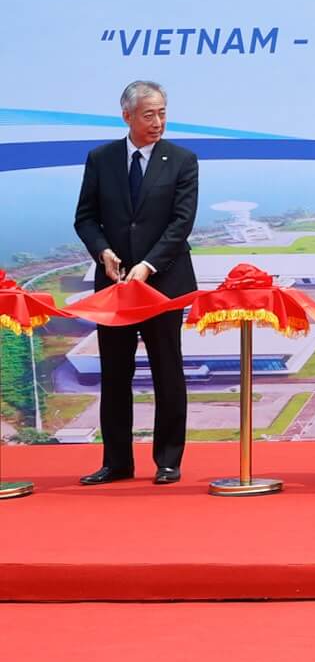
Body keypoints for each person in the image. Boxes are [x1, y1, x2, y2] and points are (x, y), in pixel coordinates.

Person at [72, 80, 198, 485]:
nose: (158, 121)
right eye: (149, 114)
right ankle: (117, 462)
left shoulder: (182, 160)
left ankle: (168, 460)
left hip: (163, 284)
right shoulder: (101, 158)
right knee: (114, 373)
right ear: (126, 115)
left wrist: (147, 265)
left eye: (162, 113)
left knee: (167, 371)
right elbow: (85, 218)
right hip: (114, 285)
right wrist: (103, 252)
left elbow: (180, 224)